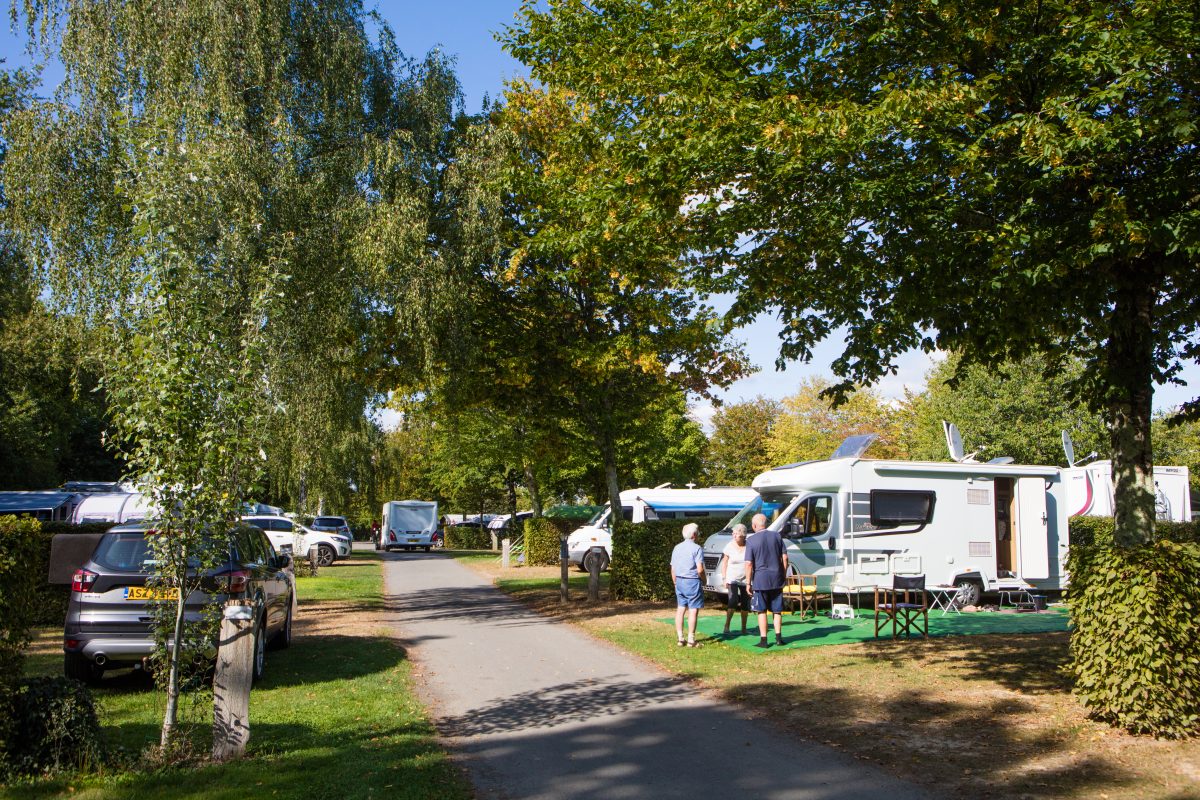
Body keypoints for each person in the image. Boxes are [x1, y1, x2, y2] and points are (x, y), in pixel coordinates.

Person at [744, 517, 789, 648]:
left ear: (754, 526)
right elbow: (785, 557)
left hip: (760, 579)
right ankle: (779, 638)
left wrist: (748, 583)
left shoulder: (751, 540)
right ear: (766, 524)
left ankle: (764, 640)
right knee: (777, 610)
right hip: (777, 578)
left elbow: (748, 563)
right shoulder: (777, 536)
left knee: (761, 610)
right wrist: (783, 574)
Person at [670, 522, 706, 647]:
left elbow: (673, 568)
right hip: (692, 581)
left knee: (680, 609)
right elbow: (700, 569)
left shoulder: (677, 547)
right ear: (694, 535)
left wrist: (675, 582)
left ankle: (680, 638)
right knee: (693, 610)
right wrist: (704, 580)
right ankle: (691, 639)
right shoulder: (697, 548)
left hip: (679, 580)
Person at [718, 524, 749, 636]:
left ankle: (744, 628)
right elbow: (724, 563)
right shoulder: (729, 546)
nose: (733, 535)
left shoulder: (749, 546)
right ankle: (727, 626)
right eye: (733, 533)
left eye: (736, 534)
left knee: (745, 603)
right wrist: (724, 578)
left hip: (745, 579)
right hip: (732, 578)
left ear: (742, 535)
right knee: (733, 601)